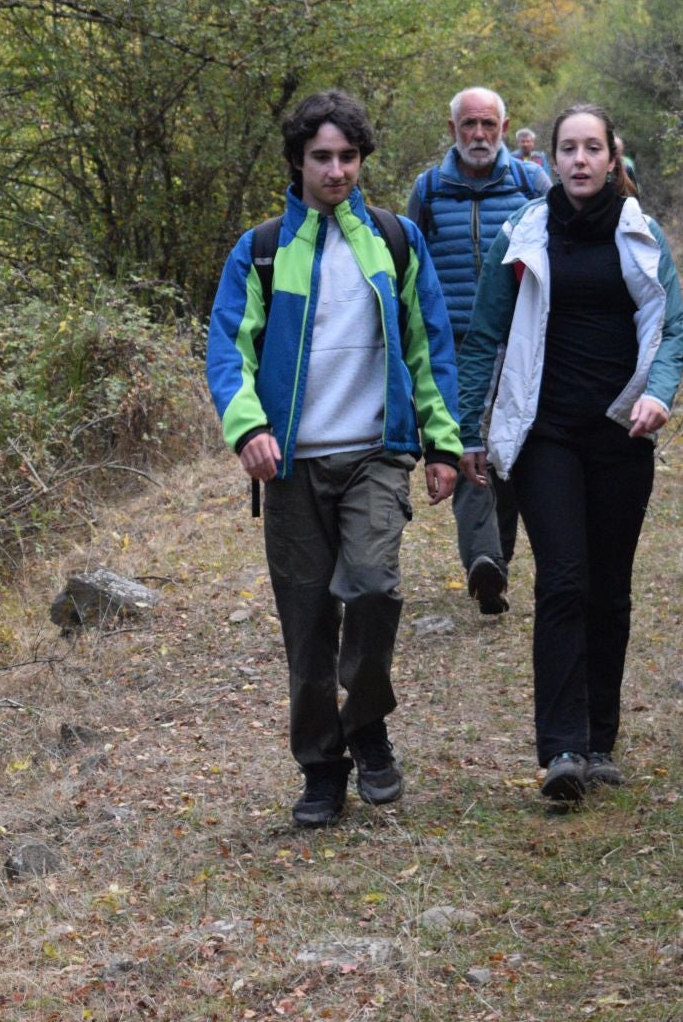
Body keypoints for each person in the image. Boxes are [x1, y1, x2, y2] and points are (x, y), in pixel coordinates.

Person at [207, 89, 462, 828]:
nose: (337, 170)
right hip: (289, 469)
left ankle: (367, 721)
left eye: (348, 157)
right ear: (297, 162)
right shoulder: (259, 249)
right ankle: (323, 768)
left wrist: (441, 441)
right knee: (308, 627)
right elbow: (228, 347)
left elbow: (428, 346)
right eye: (322, 157)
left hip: (375, 455)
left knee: (376, 588)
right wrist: (247, 427)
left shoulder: (394, 240)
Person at [455, 101, 683, 802]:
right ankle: (560, 747)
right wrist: (469, 430)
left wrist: (660, 394)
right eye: (568, 149)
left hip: (621, 433)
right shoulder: (522, 233)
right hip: (545, 432)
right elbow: (484, 336)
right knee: (562, 581)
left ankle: (600, 740)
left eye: (593, 148)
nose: (580, 160)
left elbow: (671, 329)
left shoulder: (643, 234)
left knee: (609, 588)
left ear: (613, 158)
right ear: (550, 160)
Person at [406, 87, 550, 617]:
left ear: (505, 128)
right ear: (452, 132)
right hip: (454, 349)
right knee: (466, 446)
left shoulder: (531, 183)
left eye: (489, 124)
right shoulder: (428, 190)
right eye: (469, 125)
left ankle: (498, 556)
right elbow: (411, 269)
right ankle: (484, 561)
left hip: (521, 344)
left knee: (511, 453)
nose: (479, 135)